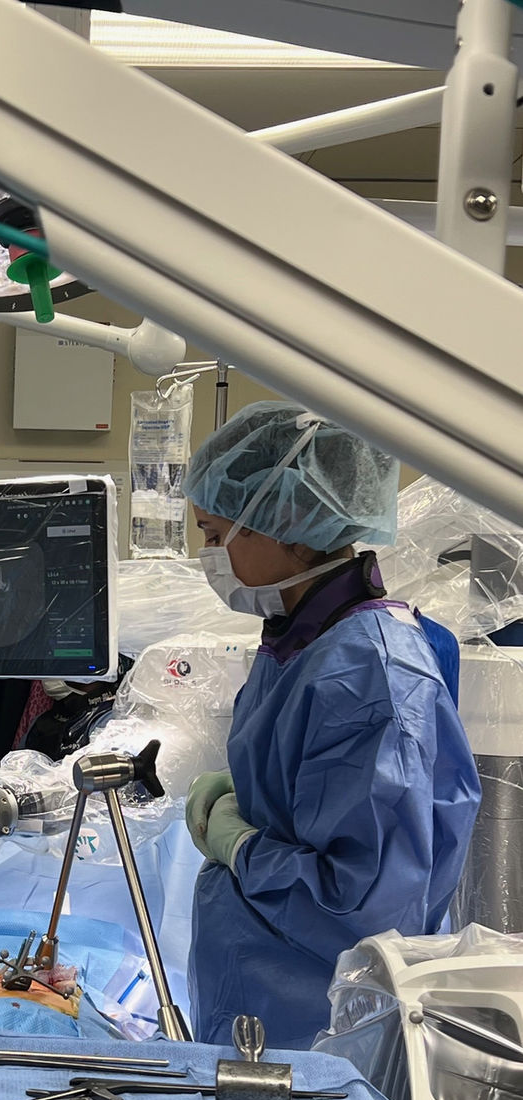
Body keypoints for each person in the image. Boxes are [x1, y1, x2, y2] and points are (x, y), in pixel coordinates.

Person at [182, 401, 480, 1050]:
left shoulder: (371, 674)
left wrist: (241, 846)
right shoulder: (301, 636)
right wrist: (244, 800)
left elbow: (365, 912)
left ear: (287, 526)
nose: (208, 556)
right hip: (261, 997)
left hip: (316, 1027)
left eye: (215, 535)